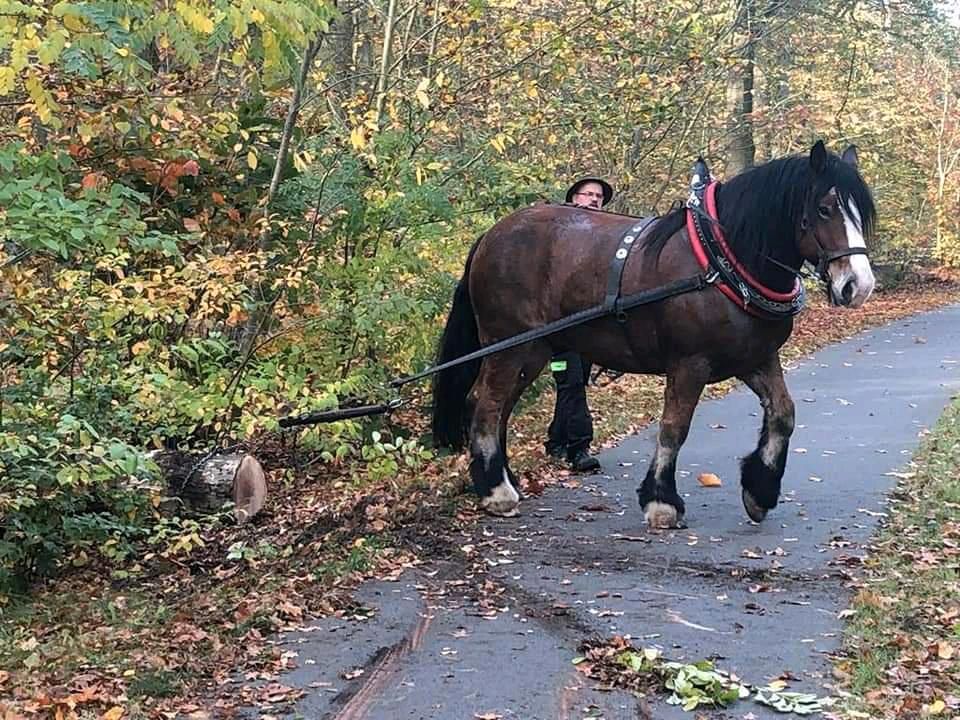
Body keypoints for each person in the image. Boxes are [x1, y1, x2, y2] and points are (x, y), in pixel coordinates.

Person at [544, 177, 614, 473]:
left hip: (588, 327)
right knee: (570, 381)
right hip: (559, 327)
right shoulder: (559, 231)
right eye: (589, 194)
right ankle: (578, 448)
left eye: (599, 195)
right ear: (574, 197)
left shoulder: (604, 236)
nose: (595, 199)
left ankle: (556, 441)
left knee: (573, 383)